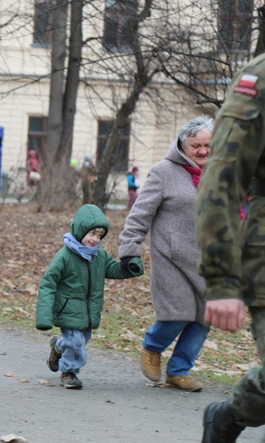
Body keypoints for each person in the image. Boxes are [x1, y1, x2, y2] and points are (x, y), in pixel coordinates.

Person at [197, 55, 265, 441]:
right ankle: (231, 414)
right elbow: (223, 176)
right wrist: (222, 279)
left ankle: (230, 415)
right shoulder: (260, 78)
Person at [118, 116, 213, 392]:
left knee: (205, 318)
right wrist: (129, 248)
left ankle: (179, 370)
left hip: (209, 259)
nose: (203, 151)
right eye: (196, 145)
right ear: (183, 145)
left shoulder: (220, 173)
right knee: (177, 312)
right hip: (172, 256)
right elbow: (140, 213)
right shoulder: (163, 171)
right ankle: (152, 346)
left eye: (208, 145)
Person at [36, 204, 143, 389]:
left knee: (79, 341)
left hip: (88, 312)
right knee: (76, 343)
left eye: (99, 235)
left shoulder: (99, 256)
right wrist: (44, 315)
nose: (95, 239)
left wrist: (129, 267)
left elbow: (114, 270)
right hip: (68, 310)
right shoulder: (64, 257)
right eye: (92, 233)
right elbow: (48, 283)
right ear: (80, 230)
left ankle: (58, 346)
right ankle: (69, 373)